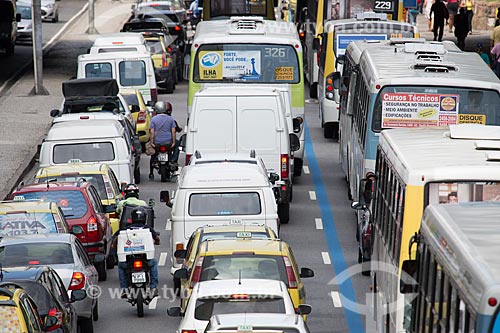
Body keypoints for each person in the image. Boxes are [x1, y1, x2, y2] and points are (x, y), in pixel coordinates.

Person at [118, 207, 160, 299]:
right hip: (146, 261)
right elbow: (157, 239)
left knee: (121, 266)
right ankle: (153, 288)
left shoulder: (125, 229)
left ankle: (124, 289)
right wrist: (156, 241)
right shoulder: (148, 229)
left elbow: (116, 239)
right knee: (154, 264)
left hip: (128, 262)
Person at [149, 101, 176, 180]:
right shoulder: (170, 119)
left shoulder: (153, 119)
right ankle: (171, 162)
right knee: (170, 153)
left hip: (157, 143)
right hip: (168, 143)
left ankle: (151, 173)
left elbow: (151, 132)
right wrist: (173, 142)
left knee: (153, 156)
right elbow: (173, 131)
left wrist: (152, 143)